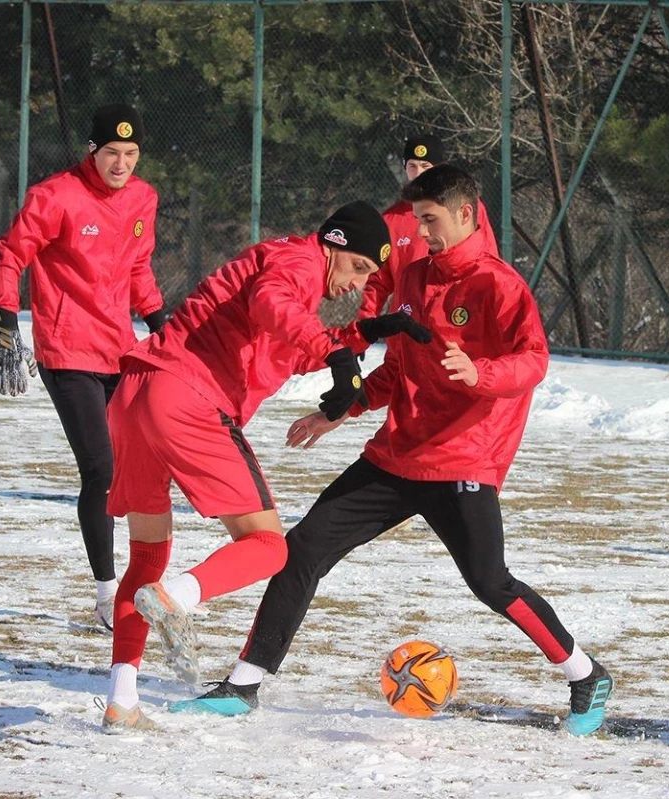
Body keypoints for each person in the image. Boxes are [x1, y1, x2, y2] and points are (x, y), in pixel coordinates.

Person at [175, 164, 614, 737]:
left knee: (490, 582)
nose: (422, 232)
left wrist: (478, 372)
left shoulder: (499, 285)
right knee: (300, 551)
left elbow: (533, 361)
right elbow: (399, 367)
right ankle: (243, 685)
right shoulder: (412, 279)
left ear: (464, 213)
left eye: (429, 220)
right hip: (395, 456)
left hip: (462, 458)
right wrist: (340, 411)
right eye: (417, 220)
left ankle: (585, 674)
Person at [99, 201, 432, 732]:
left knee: (145, 556)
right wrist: (334, 352)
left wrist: (367, 333)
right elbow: (273, 304)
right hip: (186, 399)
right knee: (269, 547)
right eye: (360, 268)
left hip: (134, 397)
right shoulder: (298, 262)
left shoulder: (292, 274)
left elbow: (288, 346)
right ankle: (177, 597)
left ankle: (121, 699)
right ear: (335, 244)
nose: (355, 284)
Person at [0, 104, 167, 633]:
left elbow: (138, 270)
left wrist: (163, 328)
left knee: (139, 469)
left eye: (131, 154)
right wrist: (6, 324)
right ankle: (108, 595)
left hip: (119, 351)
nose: (122, 164)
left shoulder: (142, 199)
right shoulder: (55, 196)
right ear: (92, 150)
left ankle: (140, 583)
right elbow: (7, 258)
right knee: (101, 471)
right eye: (112, 152)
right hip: (66, 352)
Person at [359, 133, 499, 323]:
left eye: (426, 166)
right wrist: (365, 325)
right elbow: (379, 281)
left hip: (457, 317)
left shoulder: (465, 207)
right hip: (407, 321)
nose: (418, 173)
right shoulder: (390, 219)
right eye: (412, 166)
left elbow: (488, 259)